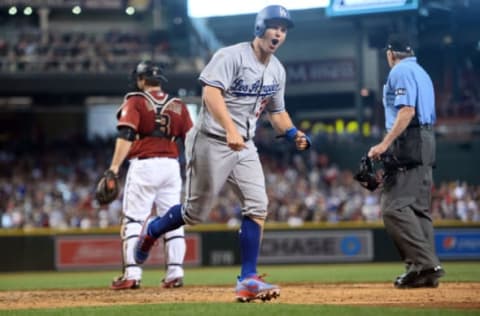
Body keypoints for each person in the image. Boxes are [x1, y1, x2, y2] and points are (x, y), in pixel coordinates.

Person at [134, 5, 311, 302]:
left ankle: (248, 279)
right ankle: (152, 230)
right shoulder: (231, 56)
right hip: (211, 139)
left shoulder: (278, 70)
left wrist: (294, 133)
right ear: (260, 28)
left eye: (284, 29)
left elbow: (277, 112)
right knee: (195, 214)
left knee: (258, 206)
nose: (279, 33)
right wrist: (229, 127)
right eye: (274, 26)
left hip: (245, 144)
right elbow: (211, 93)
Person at [368, 33, 445, 288]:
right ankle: (422, 272)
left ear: (390, 54)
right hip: (426, 139)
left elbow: (406, 111)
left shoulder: (399, 71)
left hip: (409, 139)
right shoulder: (421, 71)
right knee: (418, 209)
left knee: (393, 207)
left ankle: (425, 262)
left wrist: (385, 144)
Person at [108, 60, 193, 290]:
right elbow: (191, 140)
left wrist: (114, 168)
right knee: (172, 220)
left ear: (141, 80)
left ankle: (132, 274)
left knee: (134, 220)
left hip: (144, 164)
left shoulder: (135, 101)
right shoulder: (178, 105)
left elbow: (126, 133)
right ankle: (175, 273)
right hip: (171, 166)